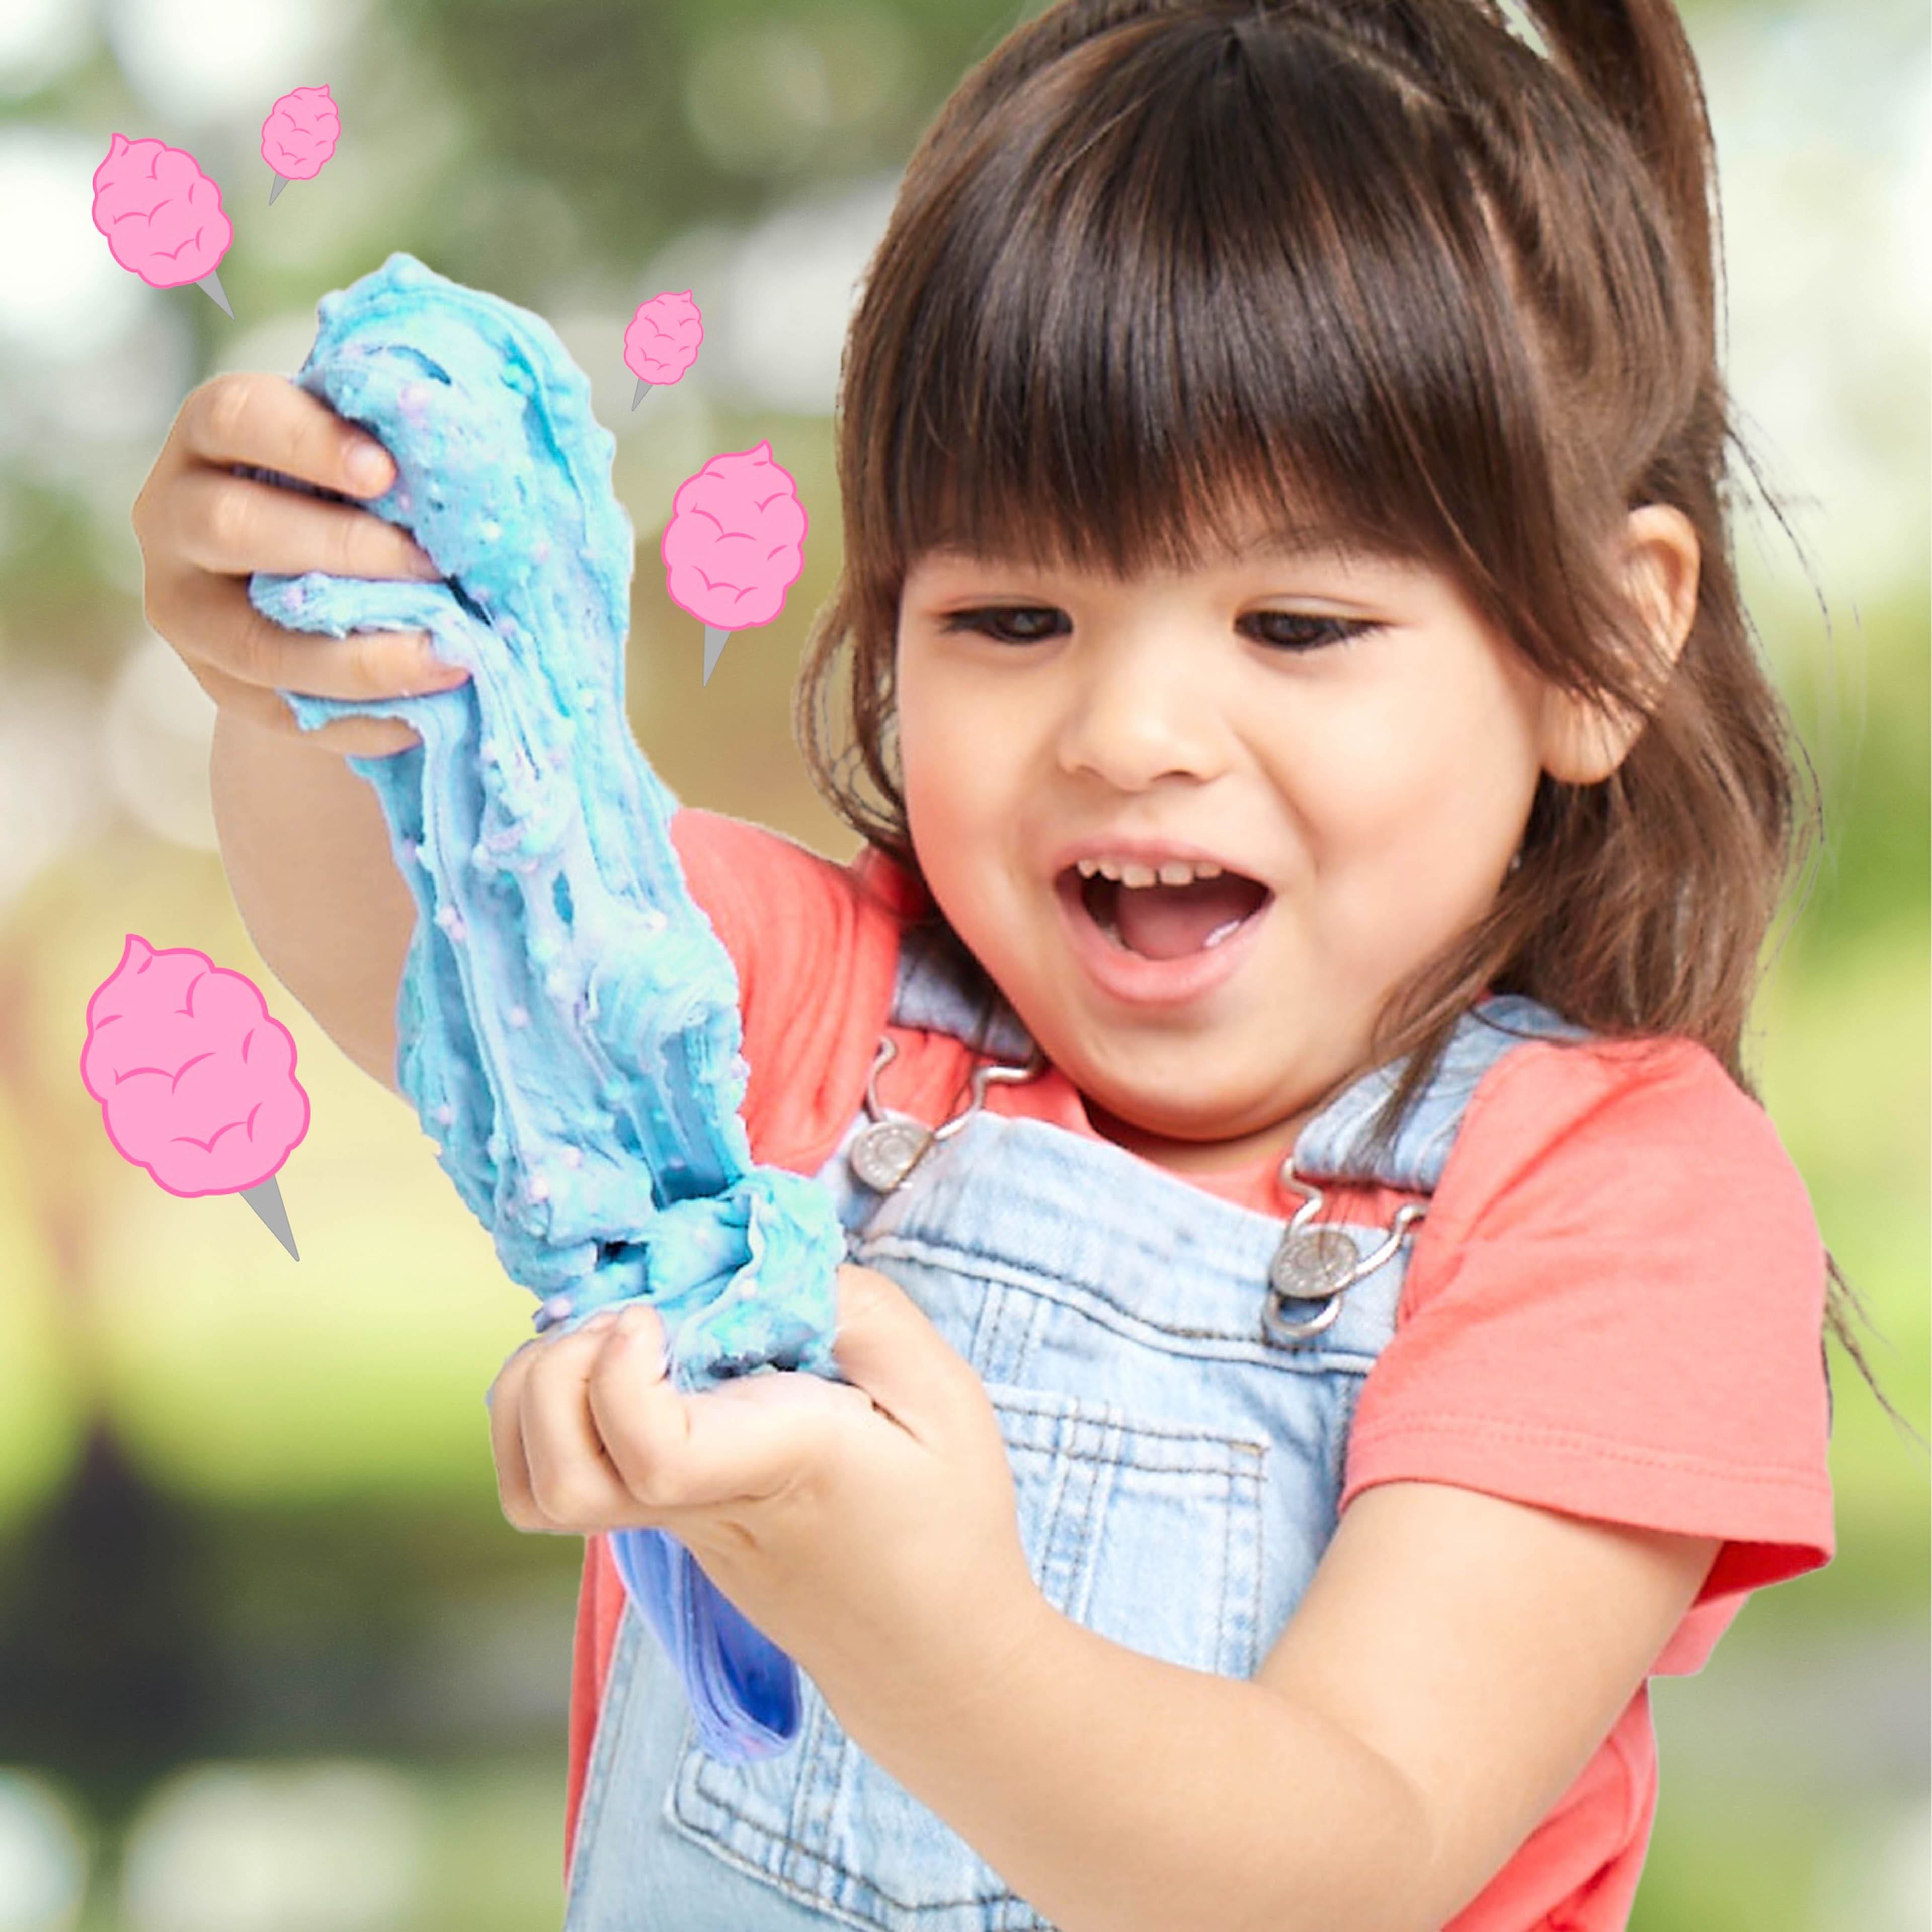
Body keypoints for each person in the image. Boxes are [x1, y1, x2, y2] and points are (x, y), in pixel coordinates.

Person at [131, 1, 1856, 1925]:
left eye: (1293, 622)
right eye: (1013, 613)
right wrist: (300, 671)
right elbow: (423, 938)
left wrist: (910, 1616)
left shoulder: (1621, 1202)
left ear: (1605, 649)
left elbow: (1348, 1851)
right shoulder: (815, 1004)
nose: (1129, 728)